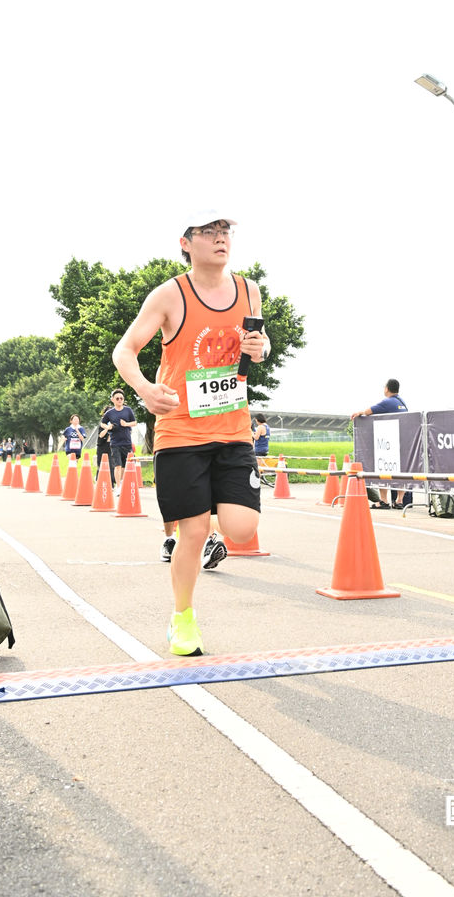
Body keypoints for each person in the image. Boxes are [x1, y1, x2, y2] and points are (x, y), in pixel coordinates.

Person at [112, 211, 269, 657]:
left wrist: (261, 347)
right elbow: (125, 350)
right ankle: (182, 617)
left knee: (242, 528)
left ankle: (204, 509)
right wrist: (145, 390)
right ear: (186, 242)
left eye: (225, 231)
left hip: (233, 428)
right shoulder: (169, 295)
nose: (221, 239)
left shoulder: (249, 291)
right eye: (209, 232)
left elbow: (259, 344)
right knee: (194, 532)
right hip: (181, 431)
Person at [350, 379, 409, 508]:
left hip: (388, 443)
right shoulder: (402, 402)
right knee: (400, 472)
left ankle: (383, 501)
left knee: (383, 469)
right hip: (402, 442)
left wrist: (359, 413)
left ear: (387, 389)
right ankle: (399, 501)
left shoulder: (388, 402)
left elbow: (368, 411)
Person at [100, 389, 136, 488]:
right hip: (115, 442)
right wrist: (108, 427)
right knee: (117, 465)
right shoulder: (109, 413)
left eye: (121, 398)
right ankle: (118, 486)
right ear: (112, 399)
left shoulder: (128, 410)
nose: (120, 400)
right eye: (117, 398)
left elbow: (134, 422)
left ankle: (122, 483)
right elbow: (102, 423)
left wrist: (126, 424)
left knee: (125, 465)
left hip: (127, 442)